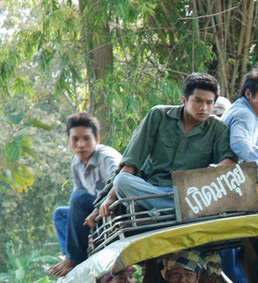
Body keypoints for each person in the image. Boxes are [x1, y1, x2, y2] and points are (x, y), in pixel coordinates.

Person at [86, 73, 237, 224]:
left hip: (191, 194)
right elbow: (130, 163)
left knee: (212, 192)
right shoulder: (158, 115)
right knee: (122, 180)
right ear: (184, 101)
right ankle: (173, 211)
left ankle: (156, 212)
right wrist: (109, 198)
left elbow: (229, 162)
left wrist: (211, 170)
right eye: (198, 101)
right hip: (153, 191)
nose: (203, 108)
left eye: (209, 103)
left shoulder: (218, 128)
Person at [49, 112, 121, 277]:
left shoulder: (107, 157)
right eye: (75, 139)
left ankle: (75, 257)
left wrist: (97, 209)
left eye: (86, 139)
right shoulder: (76, 163)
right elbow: (78, 193)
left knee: (78, 198)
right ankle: (69, 255)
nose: (81, 144)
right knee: (61, 214)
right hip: (93, 211)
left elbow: (122, 182)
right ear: (68, 141)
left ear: (97, 139)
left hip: (112, 208)